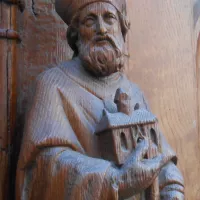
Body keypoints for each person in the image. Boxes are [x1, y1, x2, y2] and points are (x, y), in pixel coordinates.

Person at [16, 0, 184, 199]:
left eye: (109, 18)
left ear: (122, 28)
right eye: (90, 21)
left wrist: (172, 186)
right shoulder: (53, 85)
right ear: (76, 34)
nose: (102, 29)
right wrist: (117, 180)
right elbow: (43, 168)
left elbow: (160, 156)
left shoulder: (134, 91)